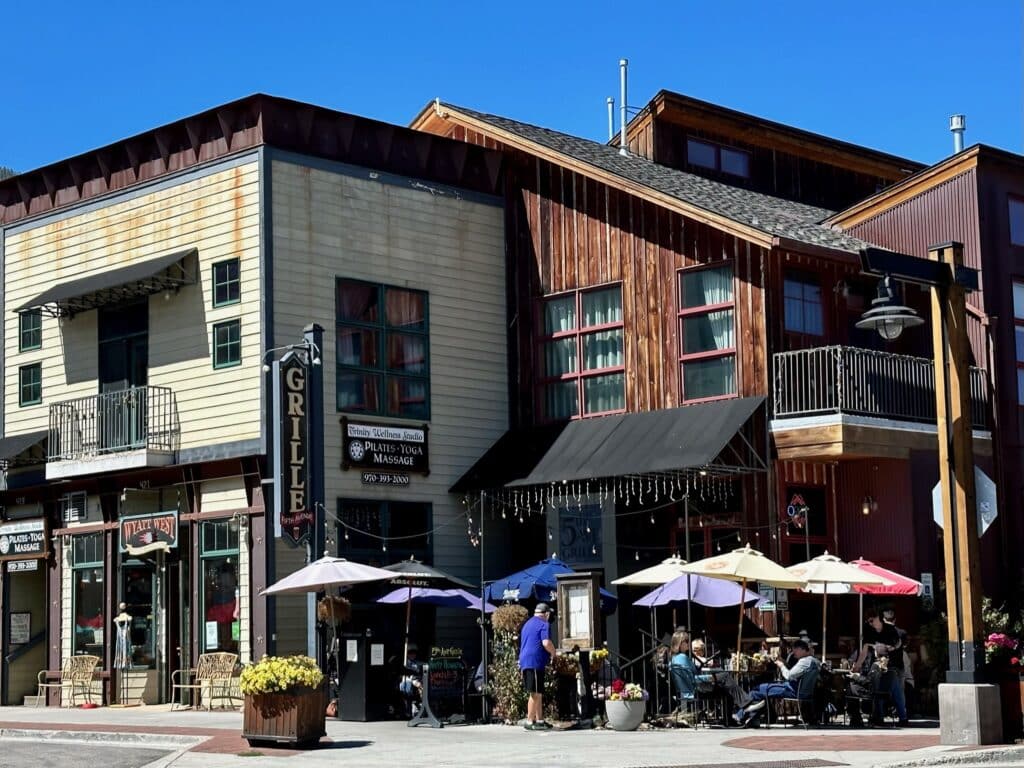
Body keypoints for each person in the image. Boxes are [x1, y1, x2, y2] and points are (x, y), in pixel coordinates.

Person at [733, 639, 820, 727]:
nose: (794, 653)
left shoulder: (804, 661)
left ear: (801, 649)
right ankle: (753, 719)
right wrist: (784, 663)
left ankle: (740, 716)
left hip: (792, 690)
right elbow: (796, 673)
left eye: (795, 650)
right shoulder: (814, 661)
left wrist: (781, 665)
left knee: (757, 689)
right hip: (803, 692)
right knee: (761, 690)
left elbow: (789, 676)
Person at [864, 612, 909, 726]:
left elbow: (894, 646)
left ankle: (880, 716)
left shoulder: (891, 633)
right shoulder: (901, 632)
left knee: (881, 691)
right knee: (897, 693)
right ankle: (902, 716)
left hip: (888, 667)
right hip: (897, 666)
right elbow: (902, 646)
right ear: (894, 620)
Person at [519, 602, 557, 731]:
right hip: (534, 661)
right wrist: (554, 653)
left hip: (527, 661)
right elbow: (546, 642)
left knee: (538, 691)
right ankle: (530, 721)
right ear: (546, 614)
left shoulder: (527, 624)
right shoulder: (544, 624)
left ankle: (540, 720)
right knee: (535, 693)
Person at [399, 643, 423, 716]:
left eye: (414, 653)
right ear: (407, 653)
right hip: (406, 682)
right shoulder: (404, 663)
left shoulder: (418, 663)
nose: (412, 655)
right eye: (410, 653)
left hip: (417, 682)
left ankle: (421, 705)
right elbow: (403, 676)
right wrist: (414, 682)